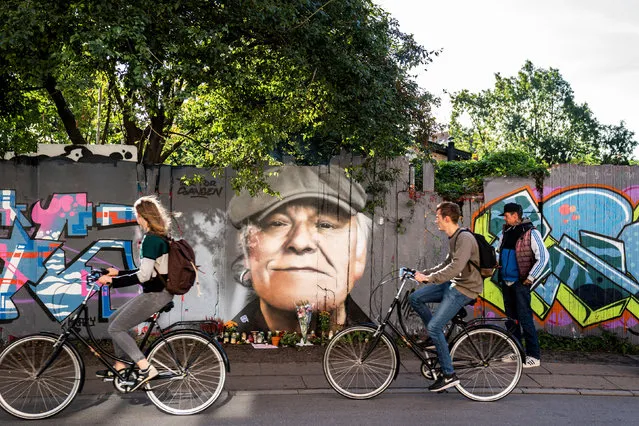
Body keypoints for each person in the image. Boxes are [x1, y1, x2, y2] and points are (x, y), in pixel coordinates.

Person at [227, 165, 371, 332]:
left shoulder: (371, 335)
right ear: (247, 251)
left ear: (359, 254)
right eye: (277, 223)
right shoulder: (236, 327)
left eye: (326, 224)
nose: (300, 242)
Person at [95, 195, 174, 390]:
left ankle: (145, 367)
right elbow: (149, 271)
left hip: (156, 294)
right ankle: (121, 367)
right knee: (114, 319)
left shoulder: (151, 240)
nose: (136, 219)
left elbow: (145, 276)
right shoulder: (158, 237)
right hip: (157, 292)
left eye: (137, 215)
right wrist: (118, 273)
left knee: (116, 329)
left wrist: (113, 281)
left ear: (144, 216)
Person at [409, 201, 483, 392]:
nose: (435, 221)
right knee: (415, 298)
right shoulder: (454, 237)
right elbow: (447, 264)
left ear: (447, 219)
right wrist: (423, 273)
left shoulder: (464, 238)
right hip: (454, 283)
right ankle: (436, 339)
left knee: (434, 326)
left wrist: (430, 278)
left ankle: (449, 374)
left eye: (437, 217)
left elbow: (456, 267)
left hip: (465, 288)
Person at [497, 202, 549, 368]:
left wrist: (531, 277)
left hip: (520, 283)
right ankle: (517, 351)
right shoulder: (505, 232)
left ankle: (533, 356)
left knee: (525, 318)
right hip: (506, 282)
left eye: (506, 215)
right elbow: (499, 251)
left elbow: (543, 256)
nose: (505, 218)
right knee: (511, 320)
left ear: (515, 215)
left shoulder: (530, 233)